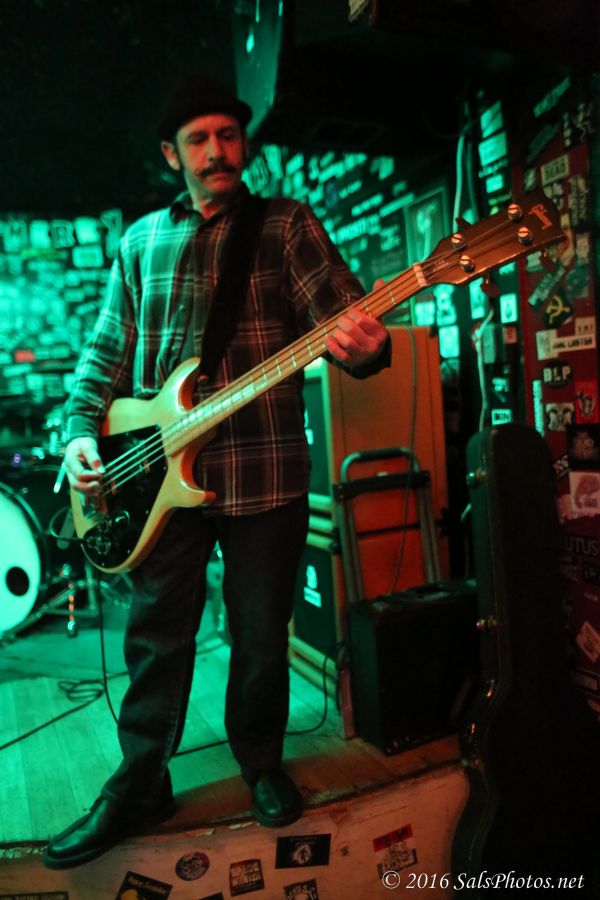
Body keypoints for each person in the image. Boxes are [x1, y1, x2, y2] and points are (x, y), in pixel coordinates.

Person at [43, 74, 390, 869]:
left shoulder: (287, 225)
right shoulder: (139, 242)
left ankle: (260, 761)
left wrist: (369, 350)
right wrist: (77, 435)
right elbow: (103, 355)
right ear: (173, 155)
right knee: (155, 637)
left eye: (227, 135)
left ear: (245, 143)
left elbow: (344, 320)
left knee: (262, 634)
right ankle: (141, 781)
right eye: (198, 139)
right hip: (157, 480)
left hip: (265, 470)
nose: (216, 151)